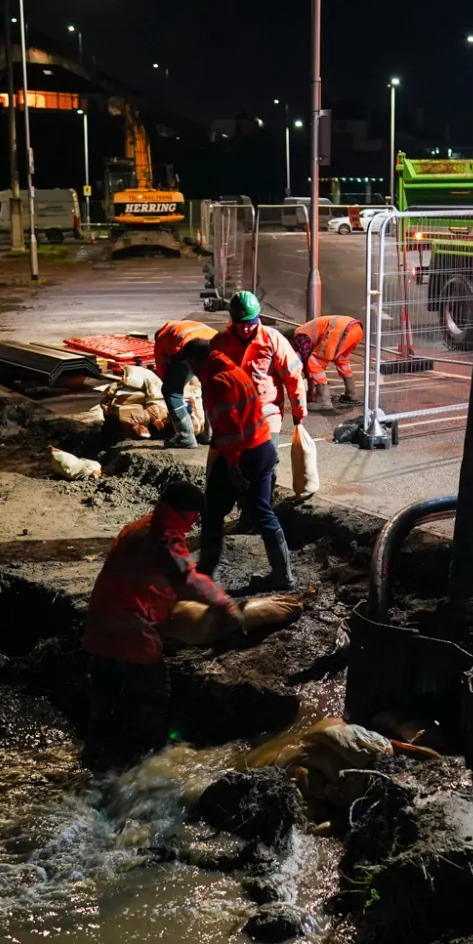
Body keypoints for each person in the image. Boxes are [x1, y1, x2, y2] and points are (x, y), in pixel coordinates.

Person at [83, 481, 242, 762]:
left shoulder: (137, 527)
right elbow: (188, 580)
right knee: (154, 690)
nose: (194, 523)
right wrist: (225, 603)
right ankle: (146, 755)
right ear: (183, 512)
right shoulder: (165, 538)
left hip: (98, 623)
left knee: (105, 686)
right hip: (130, 630)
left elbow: (143, 579)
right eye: (194, 515)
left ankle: (97, 744)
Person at [178, 329, 300, 592]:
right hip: (262, 447)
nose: (191, 373)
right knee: (262, 511)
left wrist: (233, 465)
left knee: (214, 514)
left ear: (197, 361)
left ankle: (204, 577)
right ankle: (283, 575)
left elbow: (231, 427)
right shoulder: (233, 370)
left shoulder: (217, 381)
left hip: (242, 454)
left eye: (189, 366)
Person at [210, 291, 306, 436]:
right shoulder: (220, 342)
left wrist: (298, 413)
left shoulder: (273, 339)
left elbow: (293, 377)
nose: (246, 329)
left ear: (257, 317)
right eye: (241, 323)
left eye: (250, 323)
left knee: (266, 456)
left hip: (267, 411)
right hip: (232, 413)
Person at [153, 319, 216, 449]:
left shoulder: (161, 339)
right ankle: (210, 434)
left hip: (190, 347)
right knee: (210, 388)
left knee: (171, 391)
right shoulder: (183, 326)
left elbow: (164, 374)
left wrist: (178, 404)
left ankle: (185, 436)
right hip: (217, 345)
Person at [293, 314, 363, 408]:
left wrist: (310, 393)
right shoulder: (307, 329)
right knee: (342, 361)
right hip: (356, 329)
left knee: (314, 362)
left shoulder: (299, 336)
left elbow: (308, 364)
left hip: (340, 330)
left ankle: (323, 400)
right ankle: (351, 394)